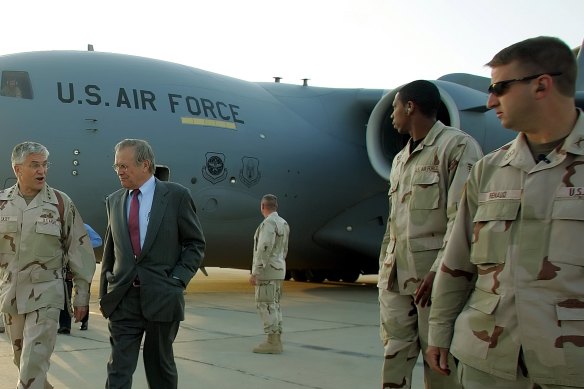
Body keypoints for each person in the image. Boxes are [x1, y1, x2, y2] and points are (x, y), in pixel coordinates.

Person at [426, 36, 584, 388]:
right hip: (489, 360)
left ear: (541, 85)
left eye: (500, 87)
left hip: (570, 365)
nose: (490, 100)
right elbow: (457, 261)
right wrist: (438, 331)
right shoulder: (489, 170)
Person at [377, 80, 483, 388]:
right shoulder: (400, 160)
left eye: (396, 107)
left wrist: (441, 272)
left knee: (438, 359)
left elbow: (462, 217)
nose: (392, 114)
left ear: (411, 107)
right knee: (394, 350)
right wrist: (384, 267)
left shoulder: (457, 146)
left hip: (432, 280)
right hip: (396, 277)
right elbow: (394, 222)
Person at [99, 138, 205, 389]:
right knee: (117, 371)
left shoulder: (176, 196)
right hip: (123, 299)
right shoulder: (114, 200)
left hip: (162, 297)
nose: (119, 172)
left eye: (124, 166)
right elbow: (110, 251)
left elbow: (195, 244)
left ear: (145, 164)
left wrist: (178, 280)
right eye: (116, 167)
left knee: (160, 369)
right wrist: (105, 293)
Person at [0, 141, 96, 389]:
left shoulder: (61, 204)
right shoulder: (2, 203)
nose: (41, 170)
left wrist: (81, 295)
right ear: (18, 169)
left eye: (44, 165)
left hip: (46, 294)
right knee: (23, 362)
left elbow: (79, 250)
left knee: (33, 364)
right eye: (34, 165)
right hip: (11, 296)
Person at [248, 194, 290, 354]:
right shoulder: (283, 223)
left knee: (265, 305)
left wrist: (256, 271)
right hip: (278, 269)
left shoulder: (269, 223)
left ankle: (272, 342)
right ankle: (276, 340)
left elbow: (264, 247)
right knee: (275, 305)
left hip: (267, 271)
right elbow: (284, 249)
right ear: (276, 207)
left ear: (262, 206)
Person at [58, 223, 102, 334]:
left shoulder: (83, 227)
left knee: (82, 294)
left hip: (82, 264)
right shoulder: (61, 227)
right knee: (65, 296)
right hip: (67, 265)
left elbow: (98, 240)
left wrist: (81, 245)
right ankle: (65, 326)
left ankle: (84, 321)